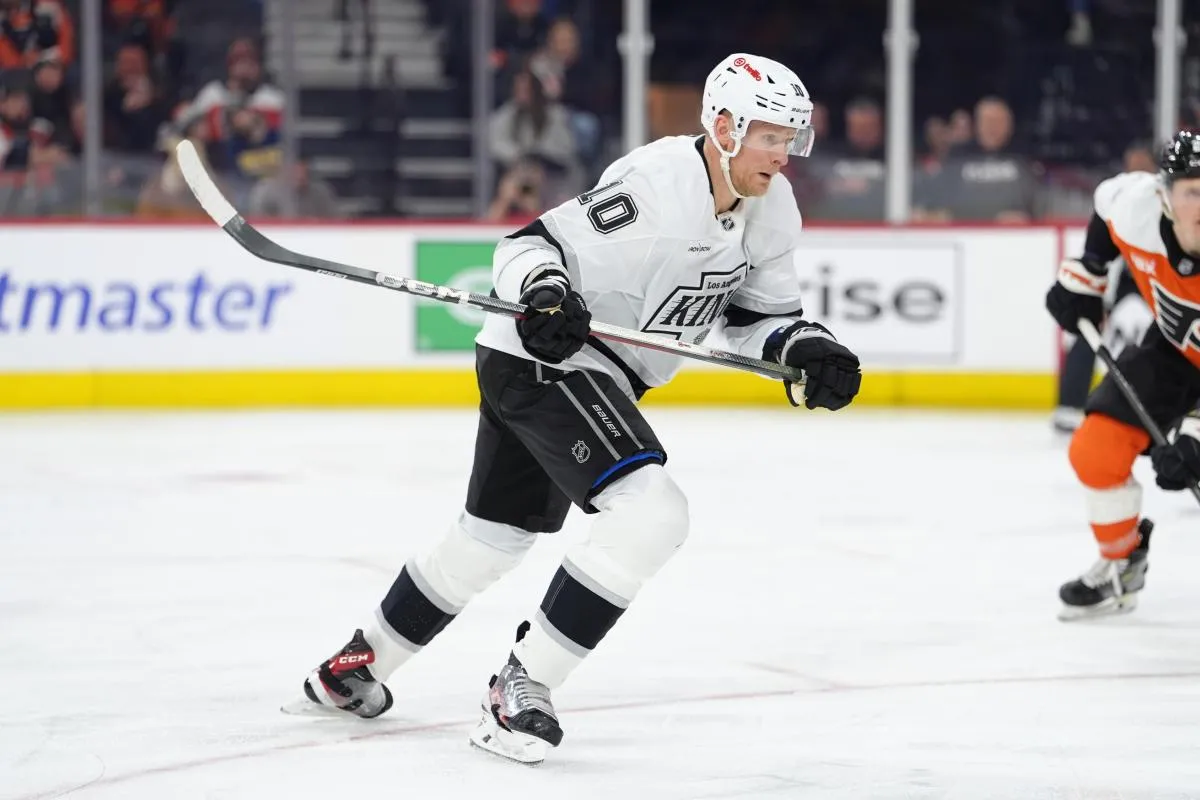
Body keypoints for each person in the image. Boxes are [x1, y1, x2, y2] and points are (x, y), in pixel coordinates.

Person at [289, 52, 863, 763]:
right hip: (548, 360)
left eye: (791, 138)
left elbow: (756, 318)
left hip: (586, 375)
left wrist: (807, 347)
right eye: (770, 135)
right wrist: (548, 294)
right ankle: (519, 689)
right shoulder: (656, 185)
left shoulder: (773, 210)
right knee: (654, 513)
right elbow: (527, 246)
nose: (783, 154)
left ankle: (357, 666)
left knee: (492, 538)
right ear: (723, 126)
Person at [1045, 130, 1200, 620]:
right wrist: (1088, 275)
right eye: (1193, 190)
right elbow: (1105, 204)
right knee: (1096, 450)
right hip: (1175, 351)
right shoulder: (1136, 207)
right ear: (1165, 195)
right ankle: (1120, 564)